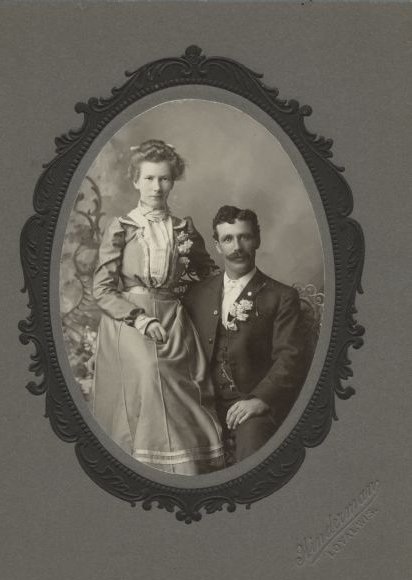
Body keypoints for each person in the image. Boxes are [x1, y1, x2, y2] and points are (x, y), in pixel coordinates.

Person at [91, 140, 225, 475]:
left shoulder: (184, 230)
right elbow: (102, 290)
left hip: (173, 319)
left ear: (173, 181)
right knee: (151, 374)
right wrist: (138, 319)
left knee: (186, 383)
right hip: (129, 322)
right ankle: (152, 469)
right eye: (149, 178)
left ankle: (187, 468)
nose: (157, 187)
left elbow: (207, 274)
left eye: (164, 179)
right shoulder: (122, 228)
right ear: (135, 180)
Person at [183, 205, 307, 464]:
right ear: (217, 245)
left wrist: (260, 399)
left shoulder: (281, 296)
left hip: (254, 404)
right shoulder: (197, 295)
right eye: (228, 239)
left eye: (244, 237)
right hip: (207, 404)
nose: (236, 246)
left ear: (257, 239)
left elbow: (290, 358)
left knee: (250, 446)